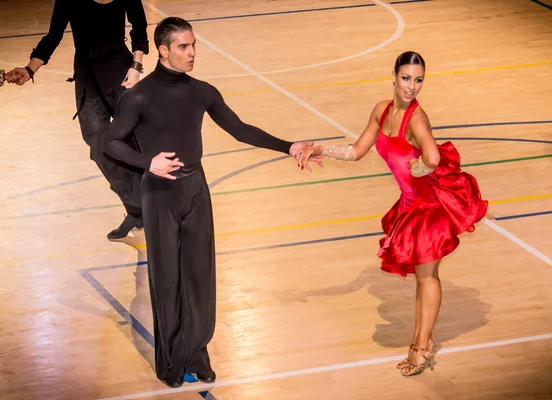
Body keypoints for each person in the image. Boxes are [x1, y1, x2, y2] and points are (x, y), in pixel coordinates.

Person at [103, 16, 320, 388]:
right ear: (163, 50)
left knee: (200, 277)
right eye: (184, 47)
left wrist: (289, 146)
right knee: (167, 278)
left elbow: (240, 129)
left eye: (194, 46)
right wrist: (147, 163)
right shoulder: (138, 96)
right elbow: (110, 142)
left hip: (195, 190)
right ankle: (170, 360)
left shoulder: (202, 91)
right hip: (159, 194)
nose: (192, 53)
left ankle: (196, 350)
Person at [297, 51, 488, 376]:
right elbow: (356, 151)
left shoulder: (416, 118)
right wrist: (321, 149)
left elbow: (433, 156)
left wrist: (423, 166)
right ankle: (420, 342)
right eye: (406, 78)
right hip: (410, 205)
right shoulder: (381, 110)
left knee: (427, 278)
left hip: (428, 209)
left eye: (418, 80)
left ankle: (421, 348)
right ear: (394, 76)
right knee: (422, 277)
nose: (412, 86)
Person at [6, 0, 150, 239]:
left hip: (123, 73)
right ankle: (137, 208)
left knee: (138, 140)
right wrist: (30, 69)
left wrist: (136, 65)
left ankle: (157, 204)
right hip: (88, 78)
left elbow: (139, 27)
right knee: (99, 146)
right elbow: (54, 35)